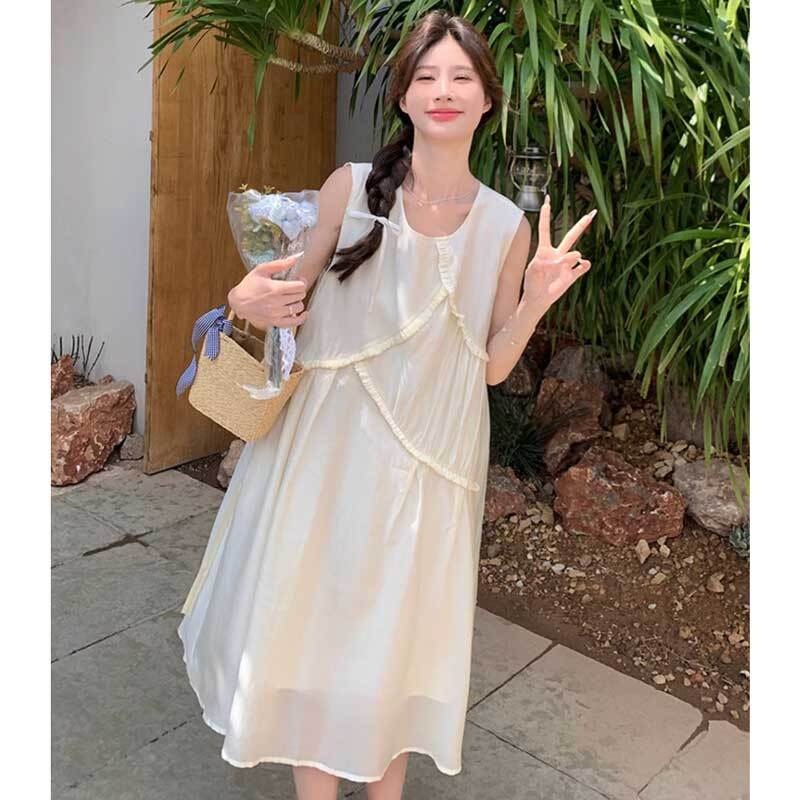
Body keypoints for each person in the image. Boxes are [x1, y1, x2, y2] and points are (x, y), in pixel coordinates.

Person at [178, 10, 595, 800]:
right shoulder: (350, 188)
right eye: (427, 76)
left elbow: (492, 368)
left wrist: (537, 300)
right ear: (403, 96)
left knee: (396, 643)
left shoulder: (504, 226)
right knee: (310, 630)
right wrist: (243, 300)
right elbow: (283, 297)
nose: (444, 90)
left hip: (429, 470)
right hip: (326, 454)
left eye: (461, 77)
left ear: (487, 100)